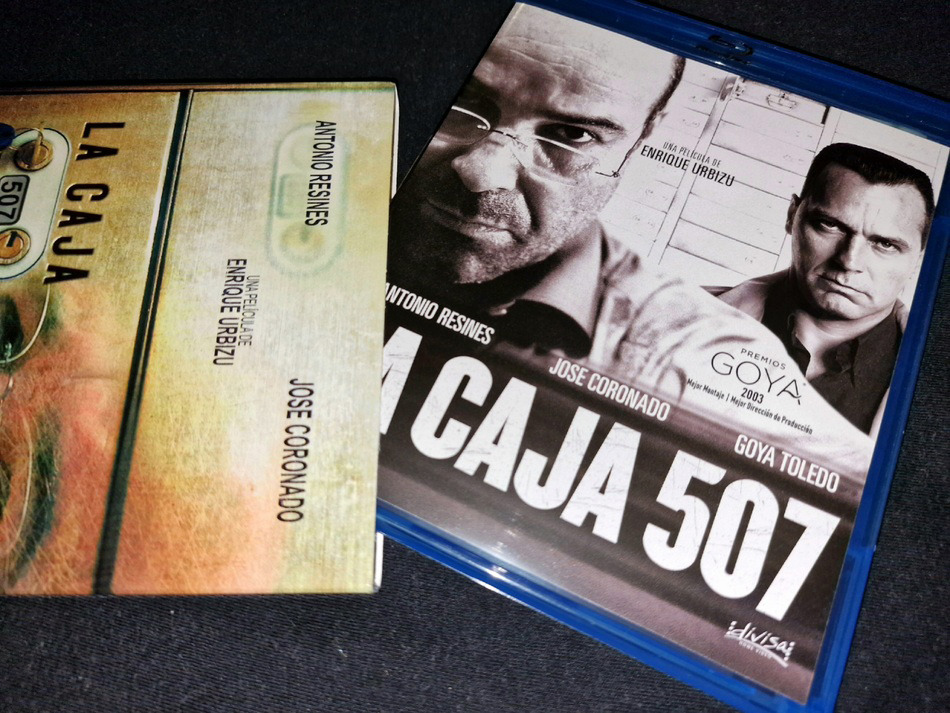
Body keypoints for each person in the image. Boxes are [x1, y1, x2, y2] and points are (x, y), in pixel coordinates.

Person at [387, 4, 872, 472]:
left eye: (571, 135)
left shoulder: (692, 352)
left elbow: (852, 490)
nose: (481, 173)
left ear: (639, 142)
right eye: (467, 103)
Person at [716, 143, 934, 435]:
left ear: (919, 260)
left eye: (885, 244)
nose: (849, 261)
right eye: (830, 225)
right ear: (792, 216)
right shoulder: (679, 311)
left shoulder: (933, 394)